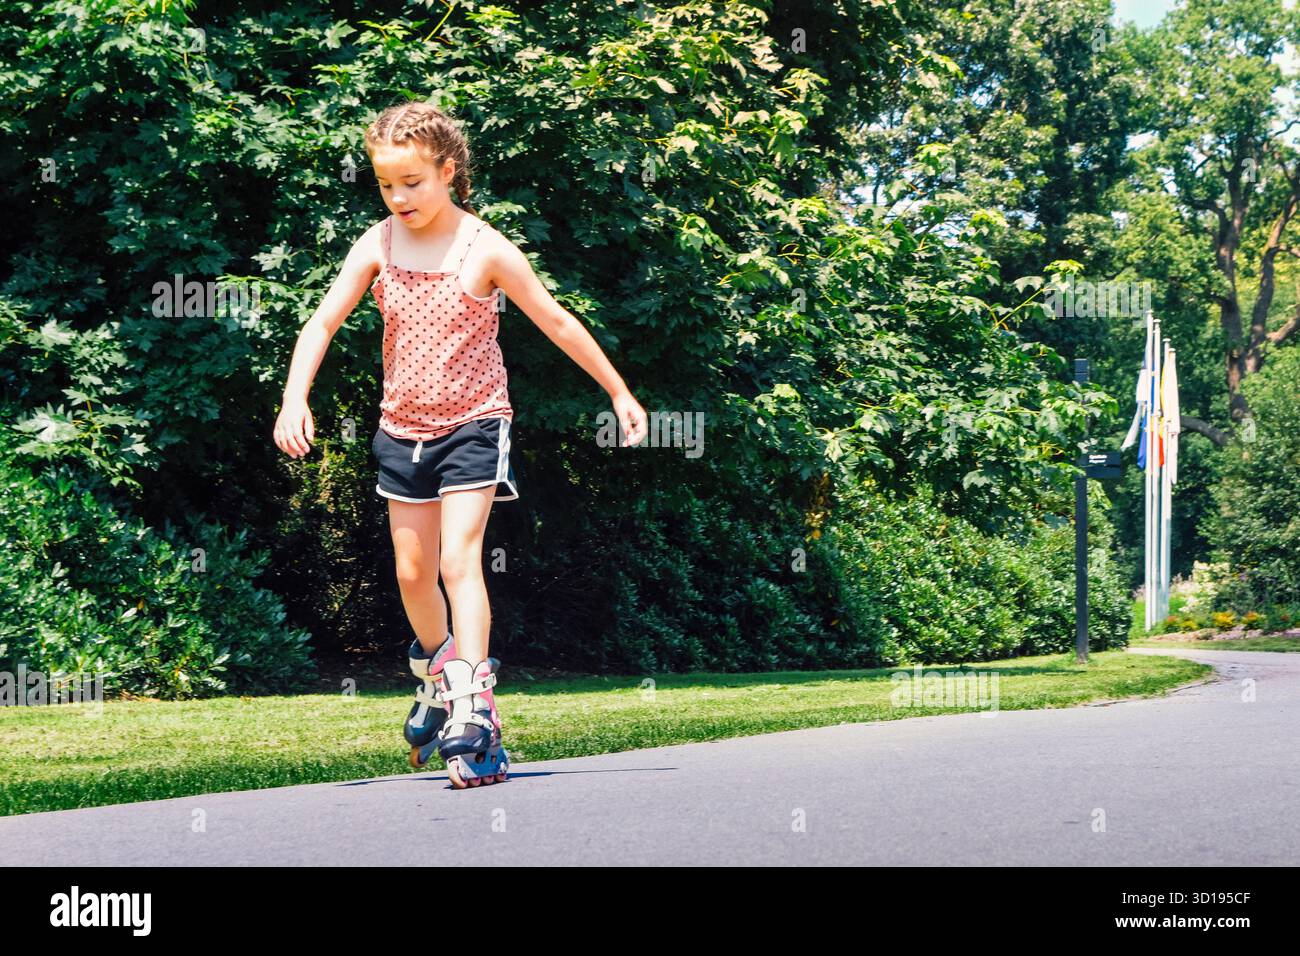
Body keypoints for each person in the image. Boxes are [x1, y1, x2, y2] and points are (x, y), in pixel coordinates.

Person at [273, 101, 647, 786]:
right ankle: (437, 673)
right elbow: (323, 321)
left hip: (475, 421)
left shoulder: (486, 249)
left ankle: (474, 708)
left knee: (456, 560)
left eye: (413, 181)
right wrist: (295, 396)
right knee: (411, 572)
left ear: (449, 171)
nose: (399, 196)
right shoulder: (378, 243)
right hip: (400, 427)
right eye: (387, 184)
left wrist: (618, 391)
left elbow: (557, 322)